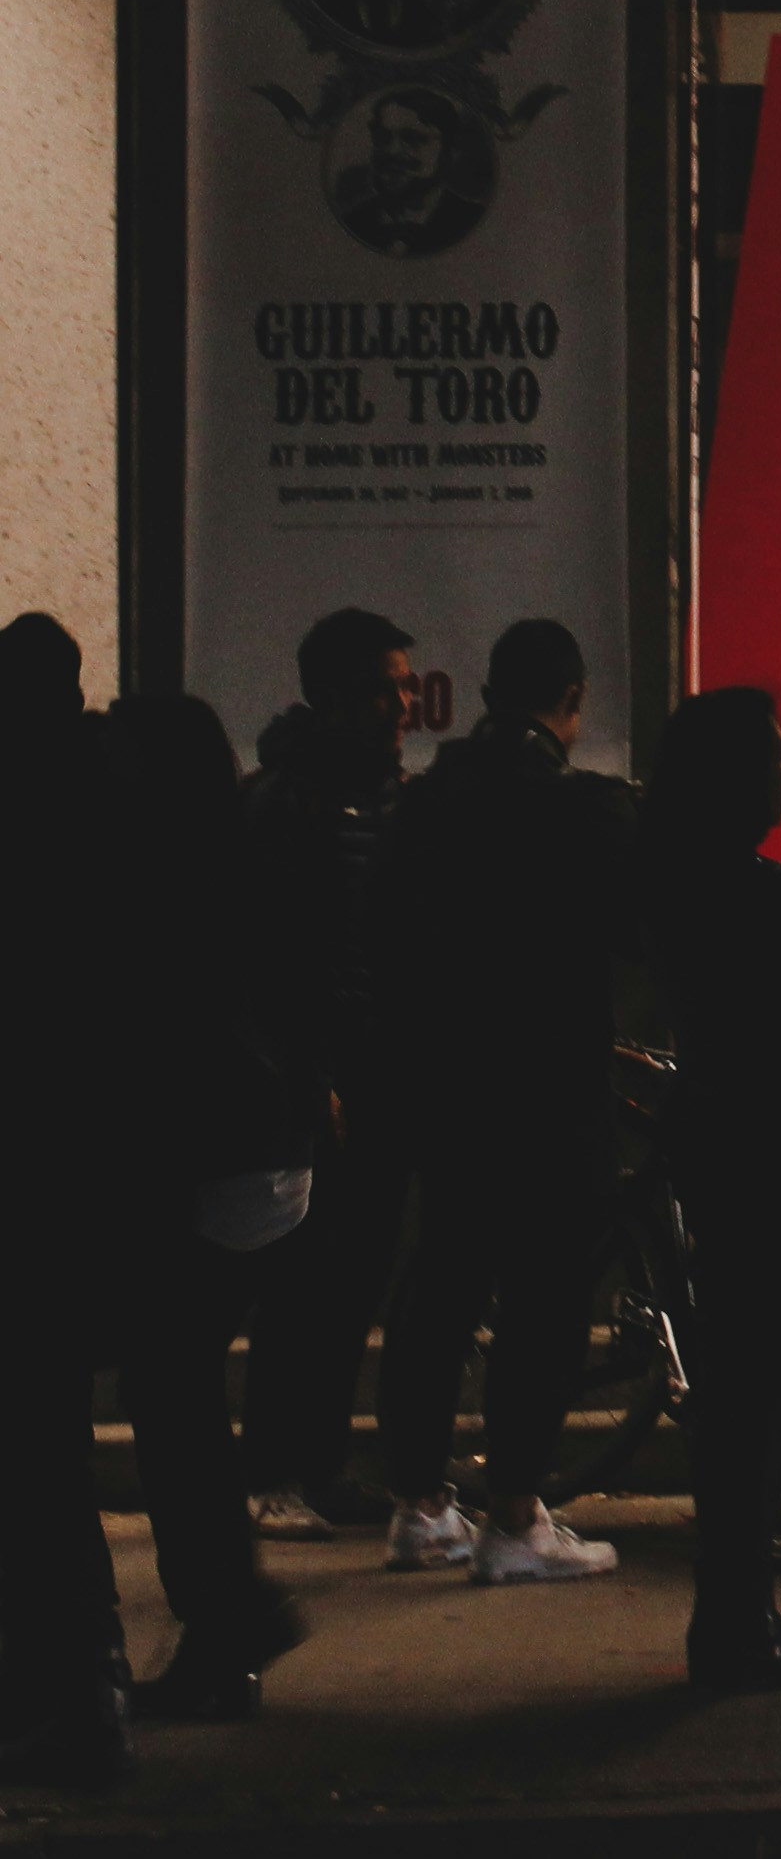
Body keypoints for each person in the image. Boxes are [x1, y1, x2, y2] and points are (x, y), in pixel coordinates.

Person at [5, 676, 310, 1780]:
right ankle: (226, 1620)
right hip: (240, 1172)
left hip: (169, 1178)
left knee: (131, 1402)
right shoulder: (227, 855)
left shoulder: (125, 876)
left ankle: (198, 1628)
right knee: (172, 1393)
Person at [371, 620, 639, 1584]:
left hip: (444, 1089)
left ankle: (417, 1504)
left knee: (439, 1287)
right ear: (571, 701)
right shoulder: (574, 807)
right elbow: (629, 923)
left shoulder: (425, 799)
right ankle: (515, 1515)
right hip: (547, 1092)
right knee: (543, 1302)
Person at [636, 686, 781, 1690]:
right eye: (772, 755)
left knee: (736, 1403)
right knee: (760, 1401)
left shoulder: (667, 882)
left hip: (716, 1149)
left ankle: (731, 1619)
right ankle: (743, 1624)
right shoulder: (768, 895)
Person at [233, 605, 424, 1541]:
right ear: (337, 694)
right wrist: (311, 1079)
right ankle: (273, 1469)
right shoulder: (284, 804)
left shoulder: (386, 798)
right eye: (388, 685)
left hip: (379, 1074)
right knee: (304, 1284)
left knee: (353, 1283)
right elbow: (273, 960)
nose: (405, 703)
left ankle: (318, 1463)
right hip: (320, 1082)